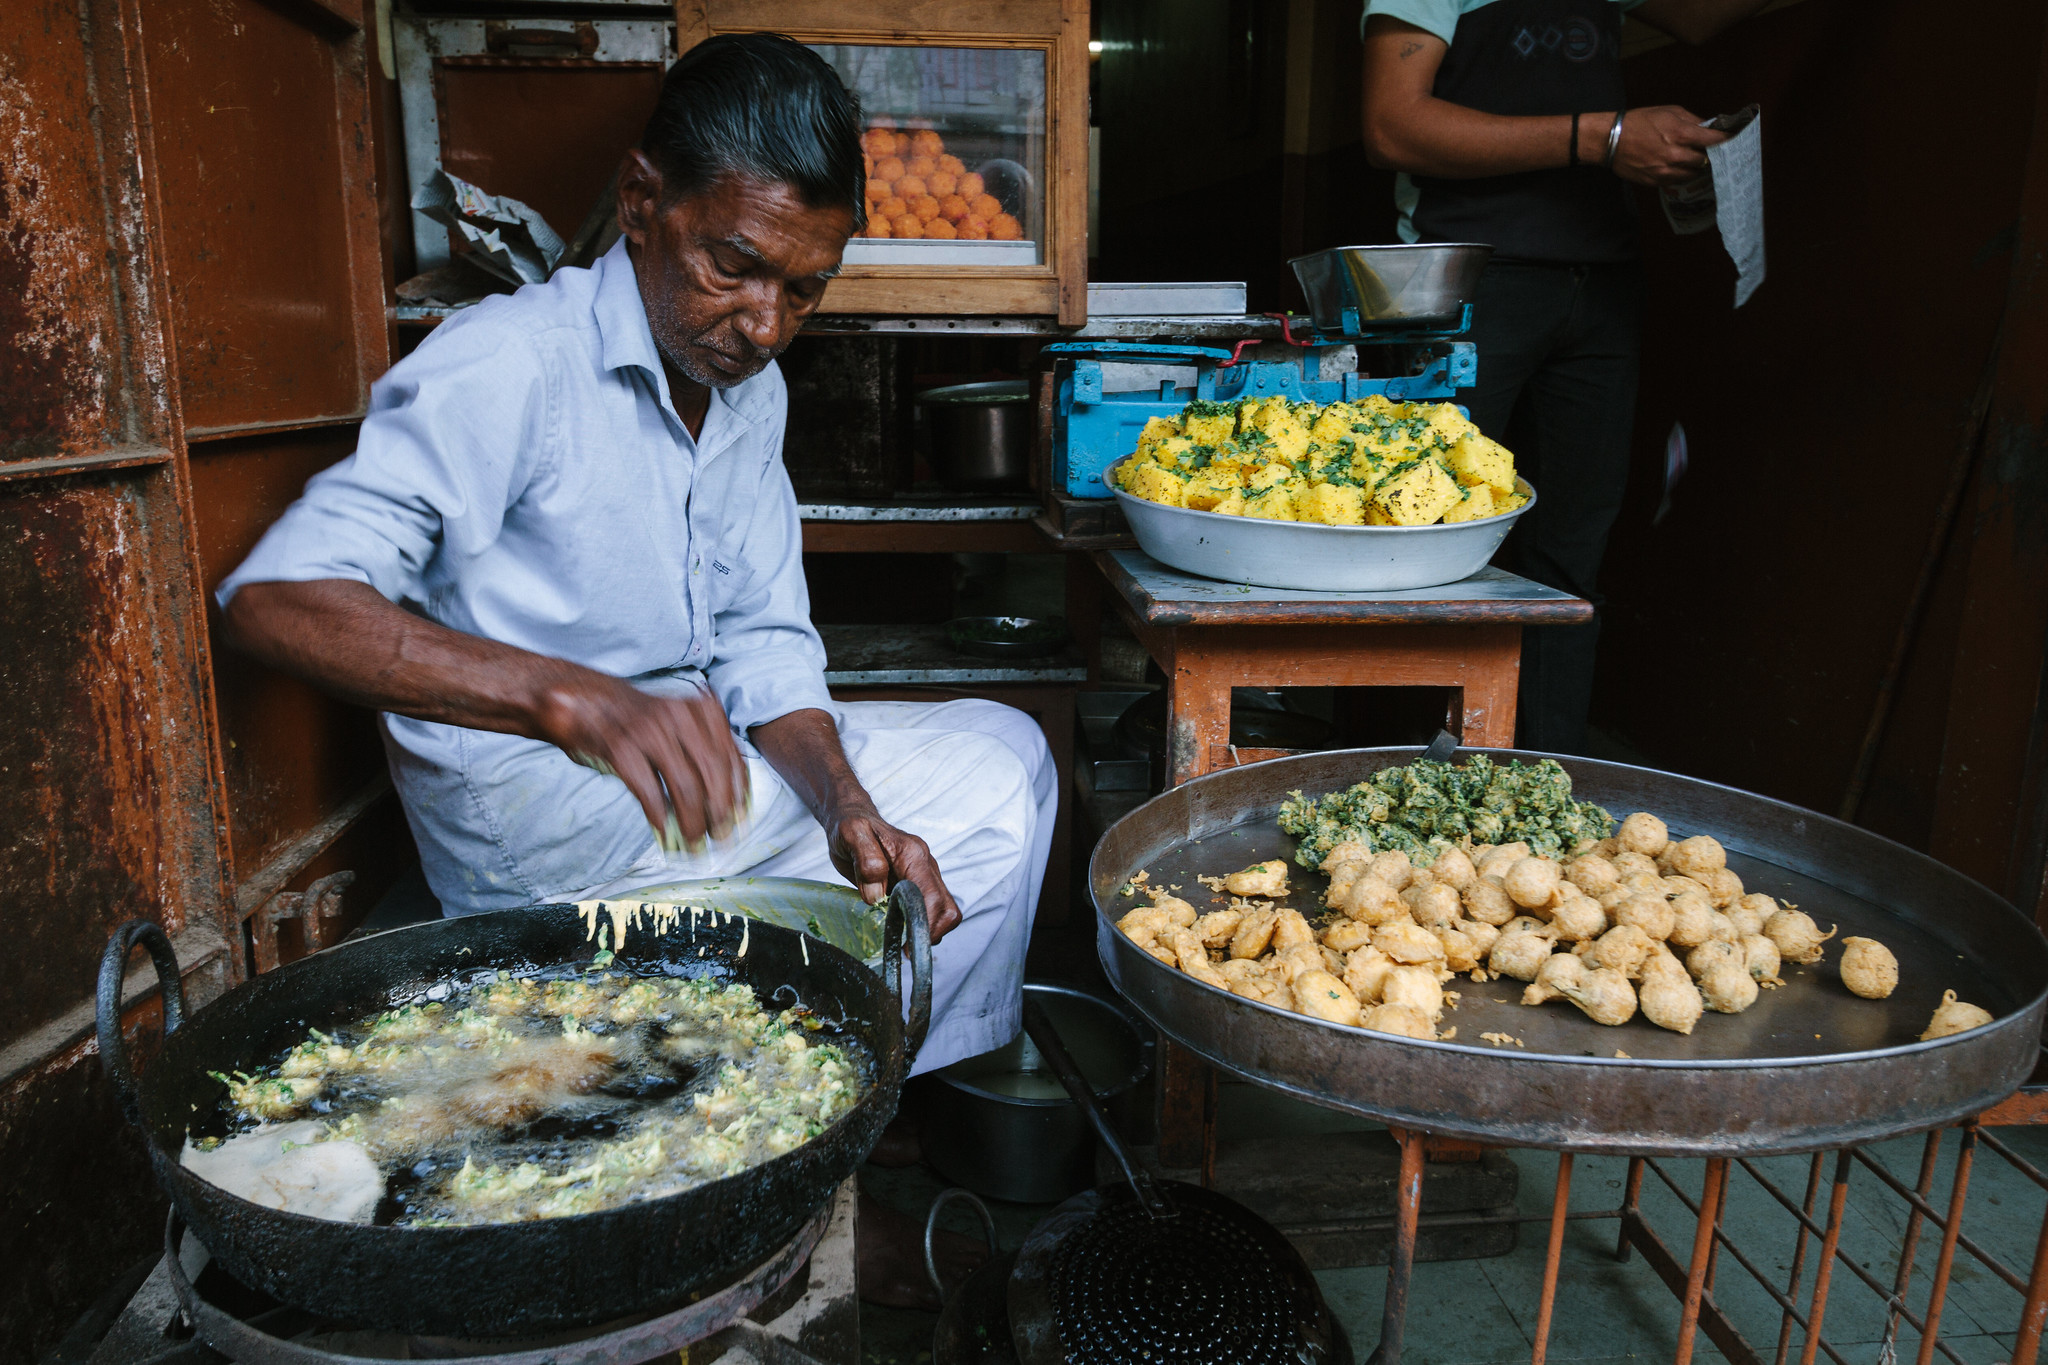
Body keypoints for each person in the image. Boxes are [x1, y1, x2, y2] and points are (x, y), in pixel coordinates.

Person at [217, 33, 1043, 1306]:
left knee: (1000, 760)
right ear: (645, 202)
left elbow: (765, 643)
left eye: (805, 292)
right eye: (736, 266)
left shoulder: (742, 387)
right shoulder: (509, 364)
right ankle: (823, 1137)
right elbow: (276, 602)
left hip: (690, 788)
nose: (765, 324)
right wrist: (567, 697)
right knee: (993, 785)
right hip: (538, 830)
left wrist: (848, 811)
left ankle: (843, 1125)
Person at [1360, 0, 1769, 752]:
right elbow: (1392, 125)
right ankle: (1386, 785)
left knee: (1570, 560)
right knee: (1419, 539)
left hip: (1600, 280)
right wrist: (1604, 137)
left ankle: (1542, 785)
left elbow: (1704, 15)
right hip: (1469, 282)